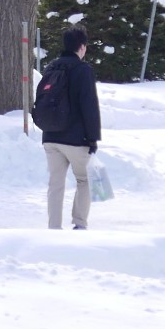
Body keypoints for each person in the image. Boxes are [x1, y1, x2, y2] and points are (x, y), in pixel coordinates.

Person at [33, 26, 102, 230]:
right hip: (75, 139)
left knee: (55, 184)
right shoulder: (83, 70)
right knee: (85, 179)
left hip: (50, 136)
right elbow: (89, 105)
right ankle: (79, 224)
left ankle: (54, 227)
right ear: (82, 47)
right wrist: (92, 138)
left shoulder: (51, 68)